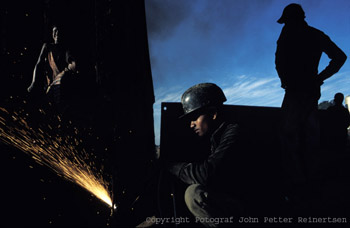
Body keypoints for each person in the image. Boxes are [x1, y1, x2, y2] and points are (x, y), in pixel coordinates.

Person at [275, 3, 347, 186]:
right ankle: (311, 181)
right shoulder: (316, 35)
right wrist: (319, 78)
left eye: (287, 21)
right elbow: (340, 57)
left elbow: (279, 62)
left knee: (290, 136)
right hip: (310, 92)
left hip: (295, 93)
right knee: (311, 137)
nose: (285, 25)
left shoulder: (287, 36)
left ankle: (297, 183)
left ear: (291, 19)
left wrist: (286, 80)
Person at [168, 83, 243, 227]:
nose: (191, 124)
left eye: (195, 117)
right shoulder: (216, 136)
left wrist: (171, 166)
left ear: (213, 114)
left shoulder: (234, 132)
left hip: (246, 205)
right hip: (232, 199)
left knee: (194, 194)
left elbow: (206, 174)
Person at [27, 25, 77, 113]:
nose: (57, 33)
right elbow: (38, 65)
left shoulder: (65, 49)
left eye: (59, 31)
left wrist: (68, 69)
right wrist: (33, 83)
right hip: (49, 87)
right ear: (52, 34)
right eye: (55, 31)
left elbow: (72, 63)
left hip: (61, 87)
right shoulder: (47, 47)